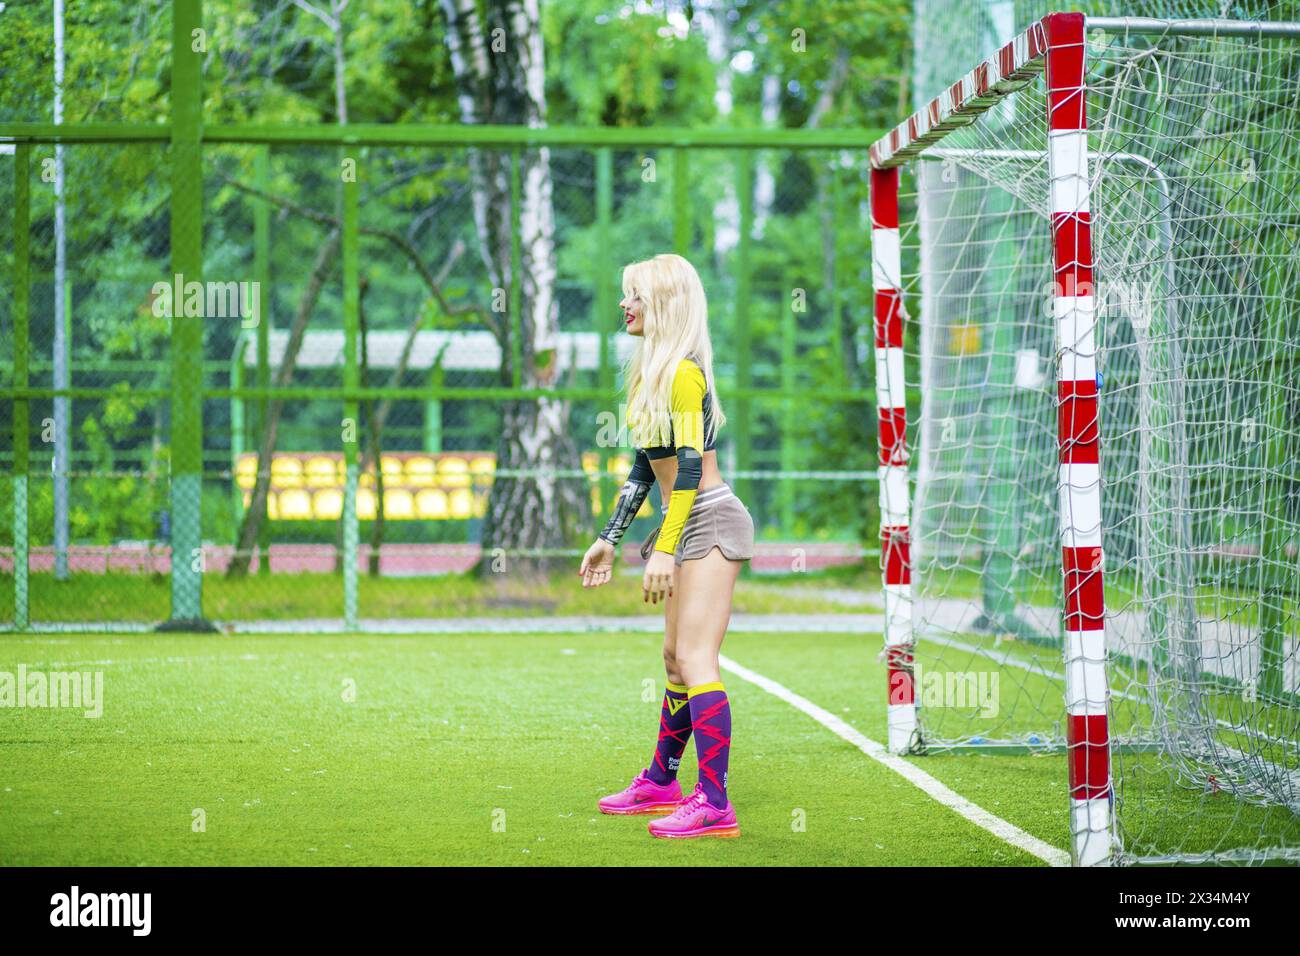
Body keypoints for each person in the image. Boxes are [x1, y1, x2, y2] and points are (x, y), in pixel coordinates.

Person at [578, 253, 754, 839]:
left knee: (698, 659)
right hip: (683, 519)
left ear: (665, 305)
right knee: (675, 658)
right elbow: (643, 467)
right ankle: (661, 780)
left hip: (708, 518)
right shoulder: (650, 372)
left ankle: (714, 802)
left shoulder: (684, 371)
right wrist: (609, 538)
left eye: (635, 295)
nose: (624, 305)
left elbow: (684, 465)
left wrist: (662, 548)